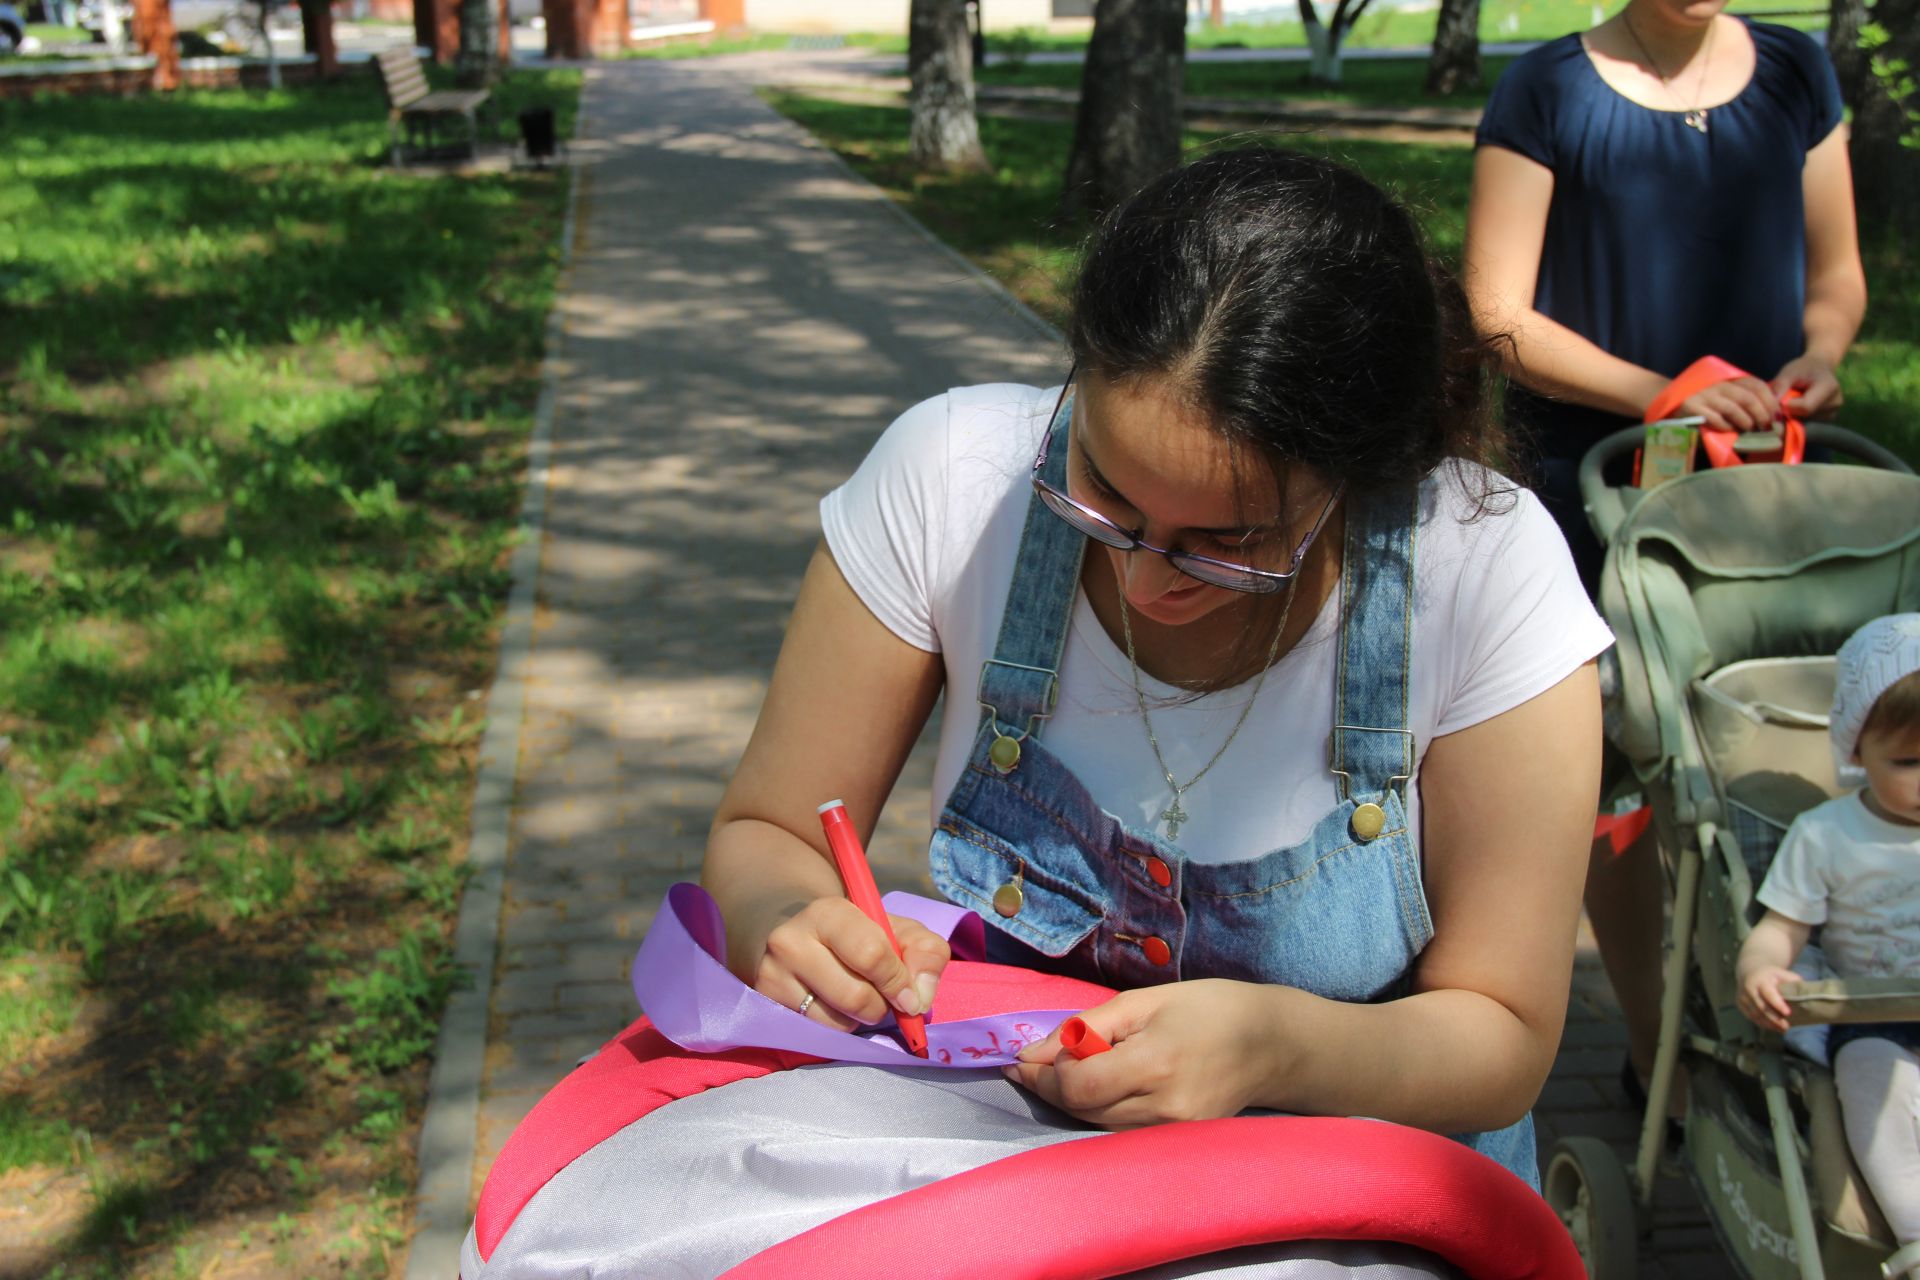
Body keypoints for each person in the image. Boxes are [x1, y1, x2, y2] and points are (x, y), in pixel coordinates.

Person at [700, 147, 1613, 1189]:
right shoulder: (950, 479)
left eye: (1227, 541)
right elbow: (766, 830)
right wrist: (784, 919)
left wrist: (1274, 1047)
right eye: (1101, 495)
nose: (1140, 582)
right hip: (1019, 1192)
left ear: (1361, 477)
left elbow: (1505, 1038)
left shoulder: (1482, 569)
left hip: (1363, 1210)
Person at [1461, 0, 1869, 1108]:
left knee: (1761, 748)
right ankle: (1658, 1049)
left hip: (1762, 493)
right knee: (1619, 775)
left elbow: (1836, 277)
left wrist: (1820, 354)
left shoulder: (1795, 72)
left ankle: (1790, 1004)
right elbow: (1495, 313)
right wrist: (1664, 397)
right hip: (1596, 488)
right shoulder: (1548, 91)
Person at [1736, 614, 1920, 1274]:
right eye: (1908, 762)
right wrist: (1762, 970)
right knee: (1871, 1091)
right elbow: (1781, 928)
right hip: (1869, 1016)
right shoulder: (1826, 834)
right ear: (1856, 750)